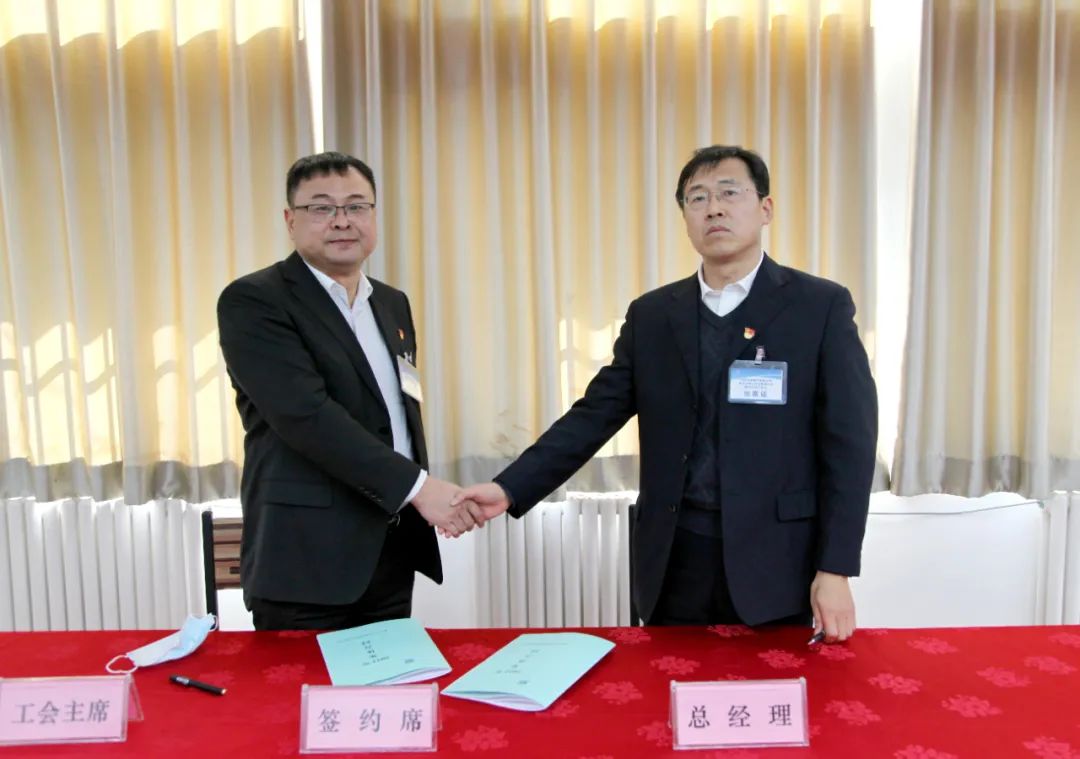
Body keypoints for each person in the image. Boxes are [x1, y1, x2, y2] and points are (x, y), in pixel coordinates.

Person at [456, 145, 877, 642]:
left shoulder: (819, 307)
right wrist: (509, 488)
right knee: (670, 685)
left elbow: (850, 445)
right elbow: (593, 415)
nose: (713, 208)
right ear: (685, 218)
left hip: (778, 558)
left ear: (765, 208)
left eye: (729, 193)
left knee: (770, 687)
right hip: (674, 558)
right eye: (697, 198)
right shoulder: (654, 316)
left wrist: (835, 568)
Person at [217, 151, 481, 631]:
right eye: (321, 208)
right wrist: (421, 489)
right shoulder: (255, 300)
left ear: (373, 216)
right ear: (290, 221)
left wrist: (418, 496)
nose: (342, 221)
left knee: (390, 678)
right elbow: (307, 416)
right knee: (301, 682)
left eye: (357, 206)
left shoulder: (392, 303)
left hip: (391, 548)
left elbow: (398, 413)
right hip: (306, 560)